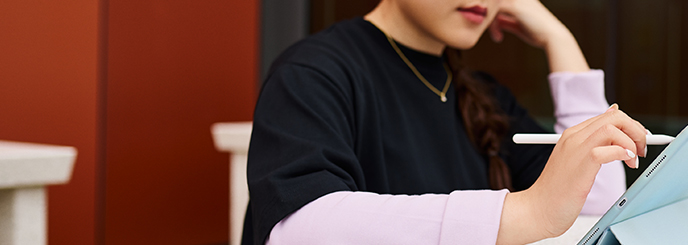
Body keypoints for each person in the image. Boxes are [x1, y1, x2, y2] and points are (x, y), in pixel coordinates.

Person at [245, 0, 650, 244]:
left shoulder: (483, 95)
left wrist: (556, 36)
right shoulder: (313, 73)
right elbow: (298, 229)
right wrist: (527, 212)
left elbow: (595, 205)